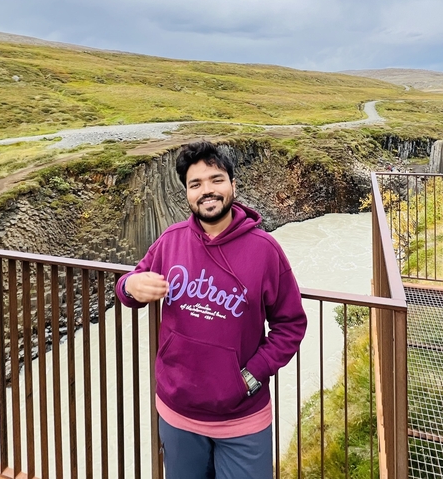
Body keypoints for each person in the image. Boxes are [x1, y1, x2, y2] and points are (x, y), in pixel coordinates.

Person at [116, 141, 307, 479]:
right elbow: (129, 285)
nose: (207, 190)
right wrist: (130, 286)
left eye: (216, 180)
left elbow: (290, 324)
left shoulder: (265, 250)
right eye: (196, 184)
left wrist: (252, 375)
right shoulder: (171, 240)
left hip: (242, 418)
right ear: (187, 194)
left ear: (233, 185)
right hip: (177, 412)